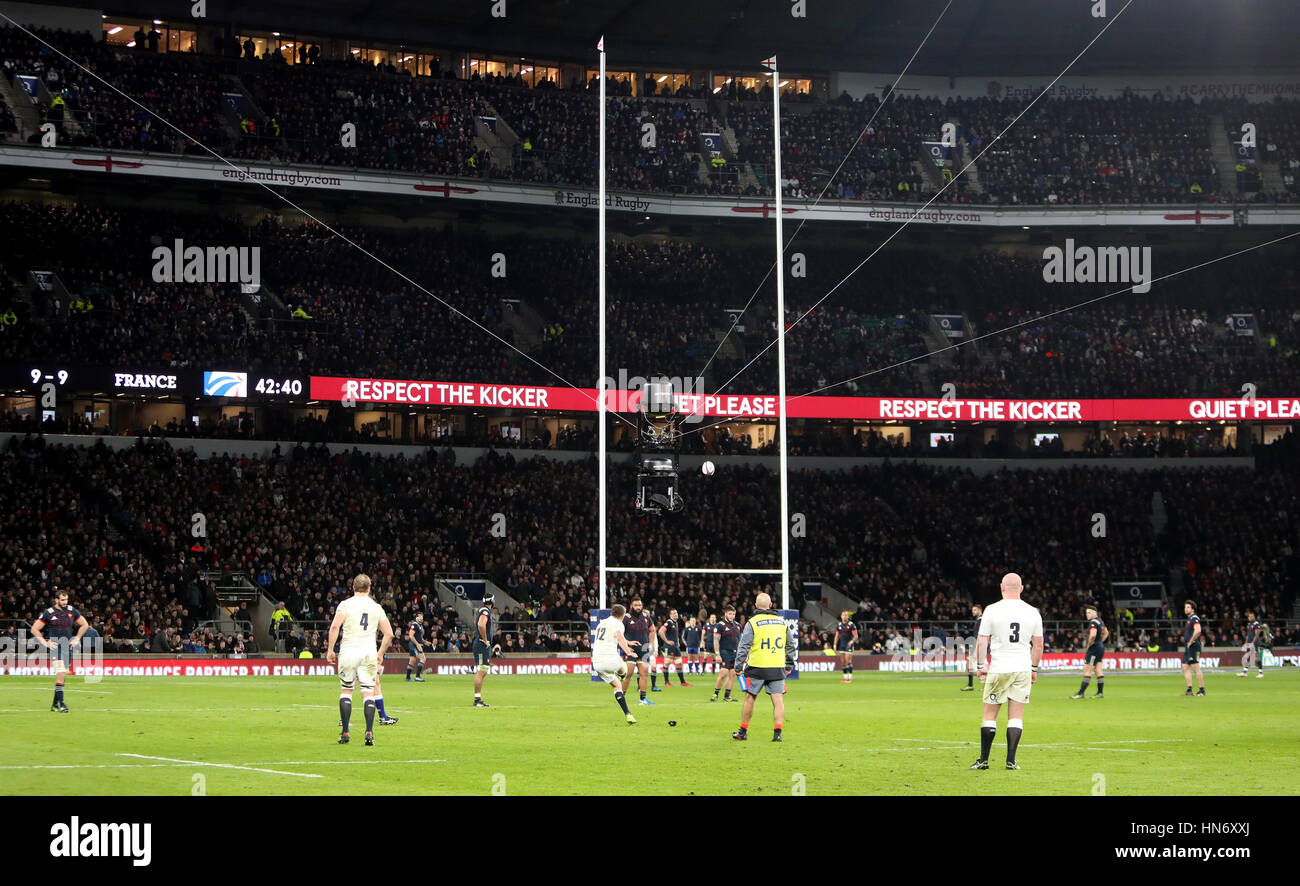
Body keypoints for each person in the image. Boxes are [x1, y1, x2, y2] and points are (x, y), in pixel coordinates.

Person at [970, 573, 1043, 771]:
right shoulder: (1033, 612)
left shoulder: (992, 610)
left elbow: (982, 640)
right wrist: (1034, 669)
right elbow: (1038, 645)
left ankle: (984, 760)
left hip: (1000, 668)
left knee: (989, 716)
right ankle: (1011, 761)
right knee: (1016, 717)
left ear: (1002, 587)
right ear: (1021, 588)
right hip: (1022, 668)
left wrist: (981, 665)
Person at [326, 574, 394, 746]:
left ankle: (345, 732)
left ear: (353, 587)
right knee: (368, 692)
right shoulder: (376, 607)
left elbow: (335, 626)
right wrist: (380, 653)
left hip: (348, 651)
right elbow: (389, 633)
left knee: (347, 690)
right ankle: (369, 731)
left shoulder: (345, 604)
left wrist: (330, 649)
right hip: (368, 653)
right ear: (369, 588)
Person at [731, 593, 797, 742]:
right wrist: (789, 665)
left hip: (757, 666)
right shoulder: (782, 622)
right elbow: (790, 645)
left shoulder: (753, 622)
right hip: (777, 666)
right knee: (778, 700)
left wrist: (738, 667)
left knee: (750, 698)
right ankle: (777, 734)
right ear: (771, 605)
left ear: (755, 606)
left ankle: (743, 731)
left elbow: (743, 647)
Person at [31, 589, 89, 713]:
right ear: (56, 600)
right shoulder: (49, 613)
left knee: (62, 676)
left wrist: (77, 638)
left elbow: (84, 625)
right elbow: (35, 629)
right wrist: (45, 642)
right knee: (61, 673)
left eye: (66, 599)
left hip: (67, 647)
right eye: (62, 600)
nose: (65, 602)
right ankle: (62, 704)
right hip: (55, 648)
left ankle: (54, 704)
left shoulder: (72, 611)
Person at [591, 603, 639, 725]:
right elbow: (618, 636)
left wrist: (628, 642)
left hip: (596, 663)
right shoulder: (618, 624)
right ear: (622, 616)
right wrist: (628, 651)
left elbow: (614, 637)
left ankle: (628, 714)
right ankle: (621, 675)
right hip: (610, 659)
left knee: (617, 686)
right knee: (624, 670)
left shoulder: (602, 623)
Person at [622, 598, 656, 705]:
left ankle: (643, 699)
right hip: (631, 650)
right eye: (636, 605)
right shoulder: (626, 618)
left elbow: (652, 630)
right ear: (631, 606)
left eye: (640, 605)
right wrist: (627, 644)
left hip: (643, 650)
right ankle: (621, 697)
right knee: (629, 674)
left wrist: (650, 644)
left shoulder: (646, 617)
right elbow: (618, 633)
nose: (638, 607)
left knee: (644, 673)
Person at [1072, 605, 1108, 698]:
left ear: (1093, 613)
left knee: (1087, 669)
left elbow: (1092, 635)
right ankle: (1100, 693)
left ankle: (1081, 693)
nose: (1086, 615)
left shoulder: (1093, 622)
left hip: (1094, 648)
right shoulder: (1100, 621)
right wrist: (1100, 641)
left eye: (1088, 613)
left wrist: (1089, 644)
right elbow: (1106, 632)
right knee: (1098, 669)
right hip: (1100, 647)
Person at [472, 593, 500, 708]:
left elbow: (476, 622)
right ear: (492, 602)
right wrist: (485, 639)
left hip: (481, 645)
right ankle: (477, 699)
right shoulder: (485, 611)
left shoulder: (481, 610)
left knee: (483, 670)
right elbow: (480, 624)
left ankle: (478, 698)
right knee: (481, 671)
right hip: (481, 645)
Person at [711, 606, 742, 702]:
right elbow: (716, 640)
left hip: (735, 653)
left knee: (733, 674)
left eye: (733, 614)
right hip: (724, 652)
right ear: (725, 614)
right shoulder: (720, 625)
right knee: (724, 673)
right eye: (730, 614)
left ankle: (727, 696)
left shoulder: (738, 625)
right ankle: (715, 694)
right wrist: (717, 654)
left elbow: (741, 641)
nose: (732, 616)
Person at [655, 608, 690, 688]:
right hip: (669, 647)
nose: (676, 614)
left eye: (676, 613)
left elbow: (674, 635)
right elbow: (660, 631)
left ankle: (683, 682)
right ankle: (666, 682)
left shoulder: (675, 623)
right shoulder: (669, 622)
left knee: (679, 663)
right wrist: (667, 641)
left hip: (675, 647)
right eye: (674, 613)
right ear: (670, 615)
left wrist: (677, 642)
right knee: (667, 663)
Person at [1181, 600, 1205, 696]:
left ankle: (1202, 690)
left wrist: (1191, 641)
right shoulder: (1190, 619)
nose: (1185, 609)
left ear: (1193, 609)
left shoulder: (1194, 618)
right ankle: (1189, 690)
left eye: (1188, 607)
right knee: (1185, 667)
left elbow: (1198, 630)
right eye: (1185, 607)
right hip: (1189, 647)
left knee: (1195, 667)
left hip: (1193, 646)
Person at [961, 604, 982, 691]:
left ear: (980, 610)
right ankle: (972, 684)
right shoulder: (979, 620)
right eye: (973, 610)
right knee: (977, 664)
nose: (973, 612)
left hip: (978, 644)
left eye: (975, 610)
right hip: (977, 643)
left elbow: (980, 634)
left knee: (975, 663)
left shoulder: (981, 620)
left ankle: (971, 685)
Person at [1238, 610, 1263, 678]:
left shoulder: (1256, 624)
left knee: (1257, 657)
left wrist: (1253, 642)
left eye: (1252, 616)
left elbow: (1257, 634)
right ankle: (1245, 672)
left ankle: (1261, 673)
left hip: (1255, 643)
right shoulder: (1249, 624)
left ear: (1254, 617)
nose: (1250, 618)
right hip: (1249, 643)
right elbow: (1249, 634)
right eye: (1249, 617)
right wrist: (1246, 642)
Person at [834, 611, 857, 683]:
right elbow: (837, 636)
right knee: (843, 662)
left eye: (846, 615)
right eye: (843, 615)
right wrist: (834, 645)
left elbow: (856, 636)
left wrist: (852, 641)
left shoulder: (851, 625)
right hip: (842, 645)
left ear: (848, 617)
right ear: (841, 616)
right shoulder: (839, 625)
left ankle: (850, 677)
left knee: (848, 661)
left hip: (849, 645)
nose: (844, 617)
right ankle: (845, 677)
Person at [406, 612, 426, 682]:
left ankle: (408, 678)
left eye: (422, 617)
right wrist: (417, 644)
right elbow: (411, 636)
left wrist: (424, 641)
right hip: (414, 645)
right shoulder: (414, 625)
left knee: (412, 661)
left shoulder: (420, 626)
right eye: (420, 617)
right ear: (416, 618)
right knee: (423, 658)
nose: (421, 618)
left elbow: (418, 636)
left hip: (415, 644)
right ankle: (417, 676)